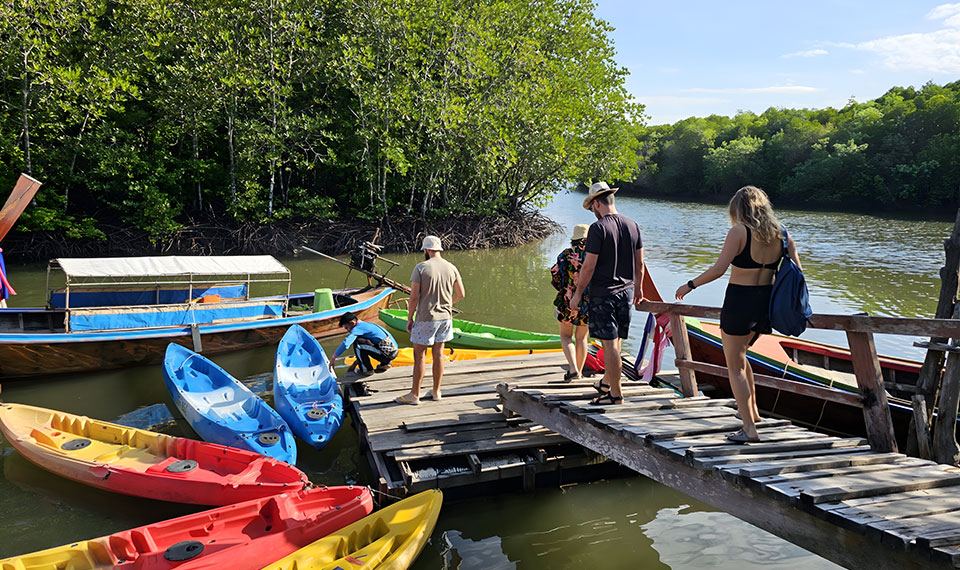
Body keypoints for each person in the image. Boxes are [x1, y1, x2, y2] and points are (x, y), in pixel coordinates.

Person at [674, 185, 801, 443]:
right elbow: (797, 272)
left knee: (734, 367)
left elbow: (719, 269)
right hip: (763, 305)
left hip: (739, 302)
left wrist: (690, 285)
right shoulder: (782, 235)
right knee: (742, 360)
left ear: (738, 209)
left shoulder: (739, 232)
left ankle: (748, 430)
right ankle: (753, 415)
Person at [570, 182, 644, 405]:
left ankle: (616, 394)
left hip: (604, 294)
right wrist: (639, 289)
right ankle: (606, 382)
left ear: (596, 203)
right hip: (627, 292)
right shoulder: (633, 225)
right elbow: (639, 264)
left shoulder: (599, 228)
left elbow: (589, 266)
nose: (592, 212)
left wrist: (577, 293)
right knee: (617, 341)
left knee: (610, 345)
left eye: (591, 207)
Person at [396, 235, 466, 404]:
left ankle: (414, 395)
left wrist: (410, 318)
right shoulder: (451, 267)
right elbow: (461, 294)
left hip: (426, 317)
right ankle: (436, 392)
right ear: (439, 249)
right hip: (445, 318)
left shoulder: (421, 268)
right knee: (439, 354)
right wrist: (448, 304)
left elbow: (413, 298)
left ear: (426, 250)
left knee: (419, 354)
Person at [550, 224, 590, 381]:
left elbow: (555, 276)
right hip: (587, 303)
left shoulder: (565, 255)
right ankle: (578, 373)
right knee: (582, 338)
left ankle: (573, 370)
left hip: (567, 300)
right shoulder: (594, 256)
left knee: (566, 336)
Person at [330, 311, 398, 375]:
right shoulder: (367, 324)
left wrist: (333, 358)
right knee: (365, 341)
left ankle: (366, 370)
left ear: (352, 323)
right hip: (394, 351)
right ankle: (385, 364)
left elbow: (345, 344)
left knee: (358, 343)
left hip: (387, 354)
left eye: (347, 328)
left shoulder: (357, 329)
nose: (348, 330)